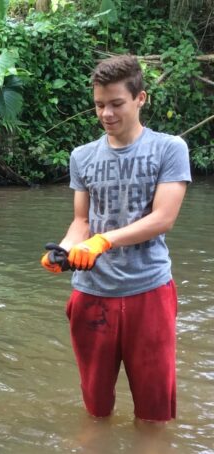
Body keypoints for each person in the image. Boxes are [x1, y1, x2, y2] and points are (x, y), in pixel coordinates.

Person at [41, 54, 191, 423]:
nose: (106, 113)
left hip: (148, 289)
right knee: (95, 401)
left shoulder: (169, 148)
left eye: (116, 104)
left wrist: (104, 241)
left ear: (140, 99)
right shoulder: (82, 156)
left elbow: (163, 218)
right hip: (92, 292)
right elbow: (81, 221)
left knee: (155, 401)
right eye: (99, 105)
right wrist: (65, 249)